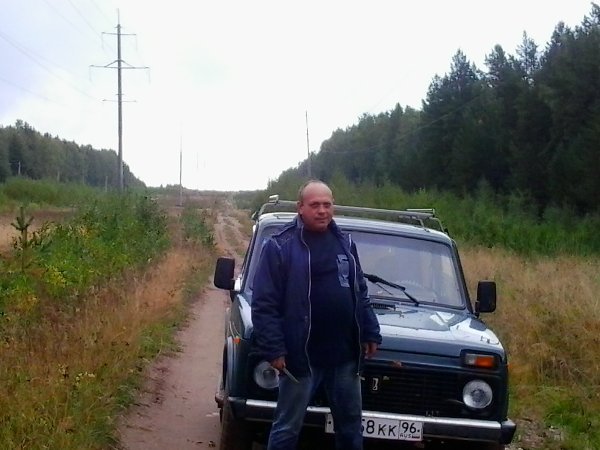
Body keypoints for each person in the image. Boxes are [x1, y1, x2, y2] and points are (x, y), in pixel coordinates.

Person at [251, 180, 382, 450]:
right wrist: (274, 348)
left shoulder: (345, 242)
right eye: (315, 205)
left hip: (345, 357)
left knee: (350, 429)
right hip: (301, 359)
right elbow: (264, 304)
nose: (322, 210)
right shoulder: (280, 246)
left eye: (327, 204)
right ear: (300, 208)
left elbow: (359, 290)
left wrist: (370, 330)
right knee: (286, 428)